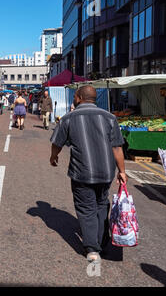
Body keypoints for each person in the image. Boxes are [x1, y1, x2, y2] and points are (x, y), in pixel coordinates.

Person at [49, 85, 127, 264]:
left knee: (86, 209)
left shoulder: (69, 118)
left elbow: (57, 142)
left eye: (75, 97)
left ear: (78, 97)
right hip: (106, 172)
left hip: (82, 172)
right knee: (101, 205)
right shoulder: (109, 118)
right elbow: (117, 147)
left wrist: (54, 157)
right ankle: (102, 242)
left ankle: (92, 249)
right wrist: (122, 171)